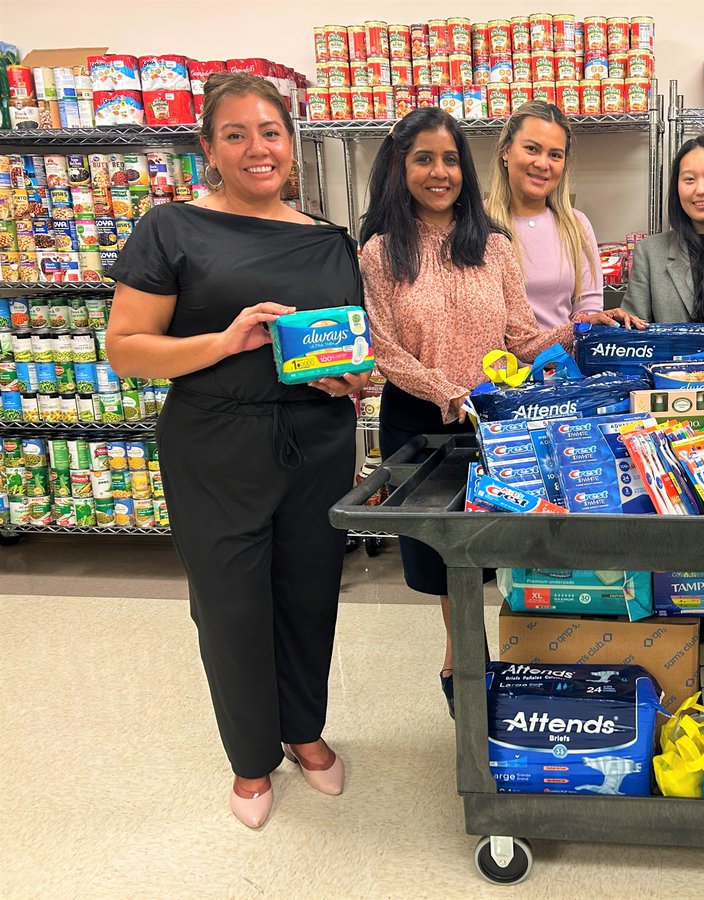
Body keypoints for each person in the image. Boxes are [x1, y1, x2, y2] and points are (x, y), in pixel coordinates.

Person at [105, 73, 365, 829]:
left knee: (310, 592)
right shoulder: (172, 228)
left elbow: (345, 344)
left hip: (315, 441)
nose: (259, 149)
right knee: (230, 603)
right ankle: (251, 759)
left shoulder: (325, 235)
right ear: (209, 148)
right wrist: (224, 340)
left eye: (272, 132)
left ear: (293, 141)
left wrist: (350, 377)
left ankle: (303, 729)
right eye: (237, 134)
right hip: (215, 442)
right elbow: (126, 350)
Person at [359, 108, 618, 717]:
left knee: (509, 546)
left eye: (450, 159)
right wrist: (449, 391)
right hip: (419, 427)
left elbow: (519, 336)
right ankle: (463, 665)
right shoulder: (378, 253)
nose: (439, 171)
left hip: (498, 423)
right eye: (424, 158)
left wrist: (579, 333)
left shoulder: (493, 246)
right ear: (401, 166)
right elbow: (383, 346)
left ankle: (524, 658)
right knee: (447, 562)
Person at [486, 100, 642, 330]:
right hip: (491, 365)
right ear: (506, 151)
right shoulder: (476, 222)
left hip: (558, 363)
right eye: (532, 149)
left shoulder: (576, 225)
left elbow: (587, 309)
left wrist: (592, 320)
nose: (542, 163)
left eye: (555, 155)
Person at [625, 135, 704, 323]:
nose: (700, 189)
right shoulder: (650, 252)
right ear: (677, 187)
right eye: (689, 179)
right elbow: (631, 332)